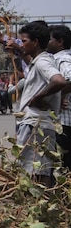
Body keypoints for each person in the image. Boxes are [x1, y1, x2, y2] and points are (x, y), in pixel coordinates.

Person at [13, 22, 66, 187]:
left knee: (34, 171)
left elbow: (59, 81)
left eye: (24, 41)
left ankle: (36, 205)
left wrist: (38, 97)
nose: (22, 44)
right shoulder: (40, 61)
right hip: (37, 123)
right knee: (38, 169)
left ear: (35, 42)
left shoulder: (43, 62)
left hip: (35, 124)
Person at [47, 25, 71, 168]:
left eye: (50, 39)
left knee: (63, 163)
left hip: (64, 121)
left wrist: (58, 96)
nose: (47, 42)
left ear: (60, 41)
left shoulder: (62, 59)